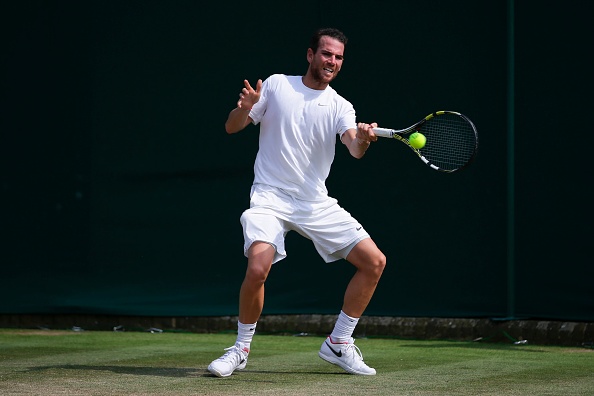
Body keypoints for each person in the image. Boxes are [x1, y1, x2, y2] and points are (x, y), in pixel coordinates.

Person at [207, 27, 386, 377]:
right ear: (310, 54)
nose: (331, 61)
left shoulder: (341, 106)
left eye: (338, 57)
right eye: (326, 54)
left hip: (313, 202)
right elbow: (232, 127)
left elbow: (353, 147)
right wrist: (244, 109)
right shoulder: (276, 85)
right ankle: (240, 349)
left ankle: (339, 342)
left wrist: (364, 139)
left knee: (374, 262)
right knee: (258, 269)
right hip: (270, 197)